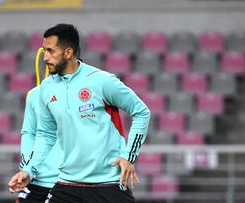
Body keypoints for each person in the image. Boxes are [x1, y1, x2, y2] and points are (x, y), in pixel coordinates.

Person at [8, 23, 150, 203]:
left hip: (108, 183)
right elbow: (45, 135)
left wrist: (129, 156)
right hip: (67, 183)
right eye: (44, 50)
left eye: (51, 51)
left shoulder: (101, 81)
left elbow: (141, 112)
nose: (45, 57)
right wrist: (28, 171)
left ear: (68, 53)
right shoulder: (46, 88)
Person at [8, 59, 60, 203]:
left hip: (65, 182)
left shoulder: (79, 94)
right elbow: (29, 132)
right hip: (36, 179)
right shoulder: (34, 94)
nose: (47, 57)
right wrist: (27, 168)